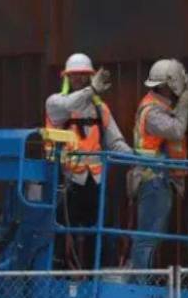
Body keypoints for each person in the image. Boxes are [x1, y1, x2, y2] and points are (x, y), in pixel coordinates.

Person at [44, 52, 132, 269]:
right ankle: (60, 281)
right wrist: (91, 90)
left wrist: (139, 159)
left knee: (101, 236)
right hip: (68, 182)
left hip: (96, 183)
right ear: (66, 78)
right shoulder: (56, 103)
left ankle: (97, 281)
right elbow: (71, 103)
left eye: (84, 76)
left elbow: (116, 142)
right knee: (62, 236)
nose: (79, 80)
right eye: (74, 76)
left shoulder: (100, 109)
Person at [128, 58, 188, 277]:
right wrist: (184, 105)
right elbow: (175, 131)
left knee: (153, 235)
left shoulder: (160, 107)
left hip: (159, 179)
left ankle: (139, 281)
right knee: (147, 237)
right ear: (170, 84)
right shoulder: (153, 111)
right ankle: (138, 285)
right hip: (153, 179)